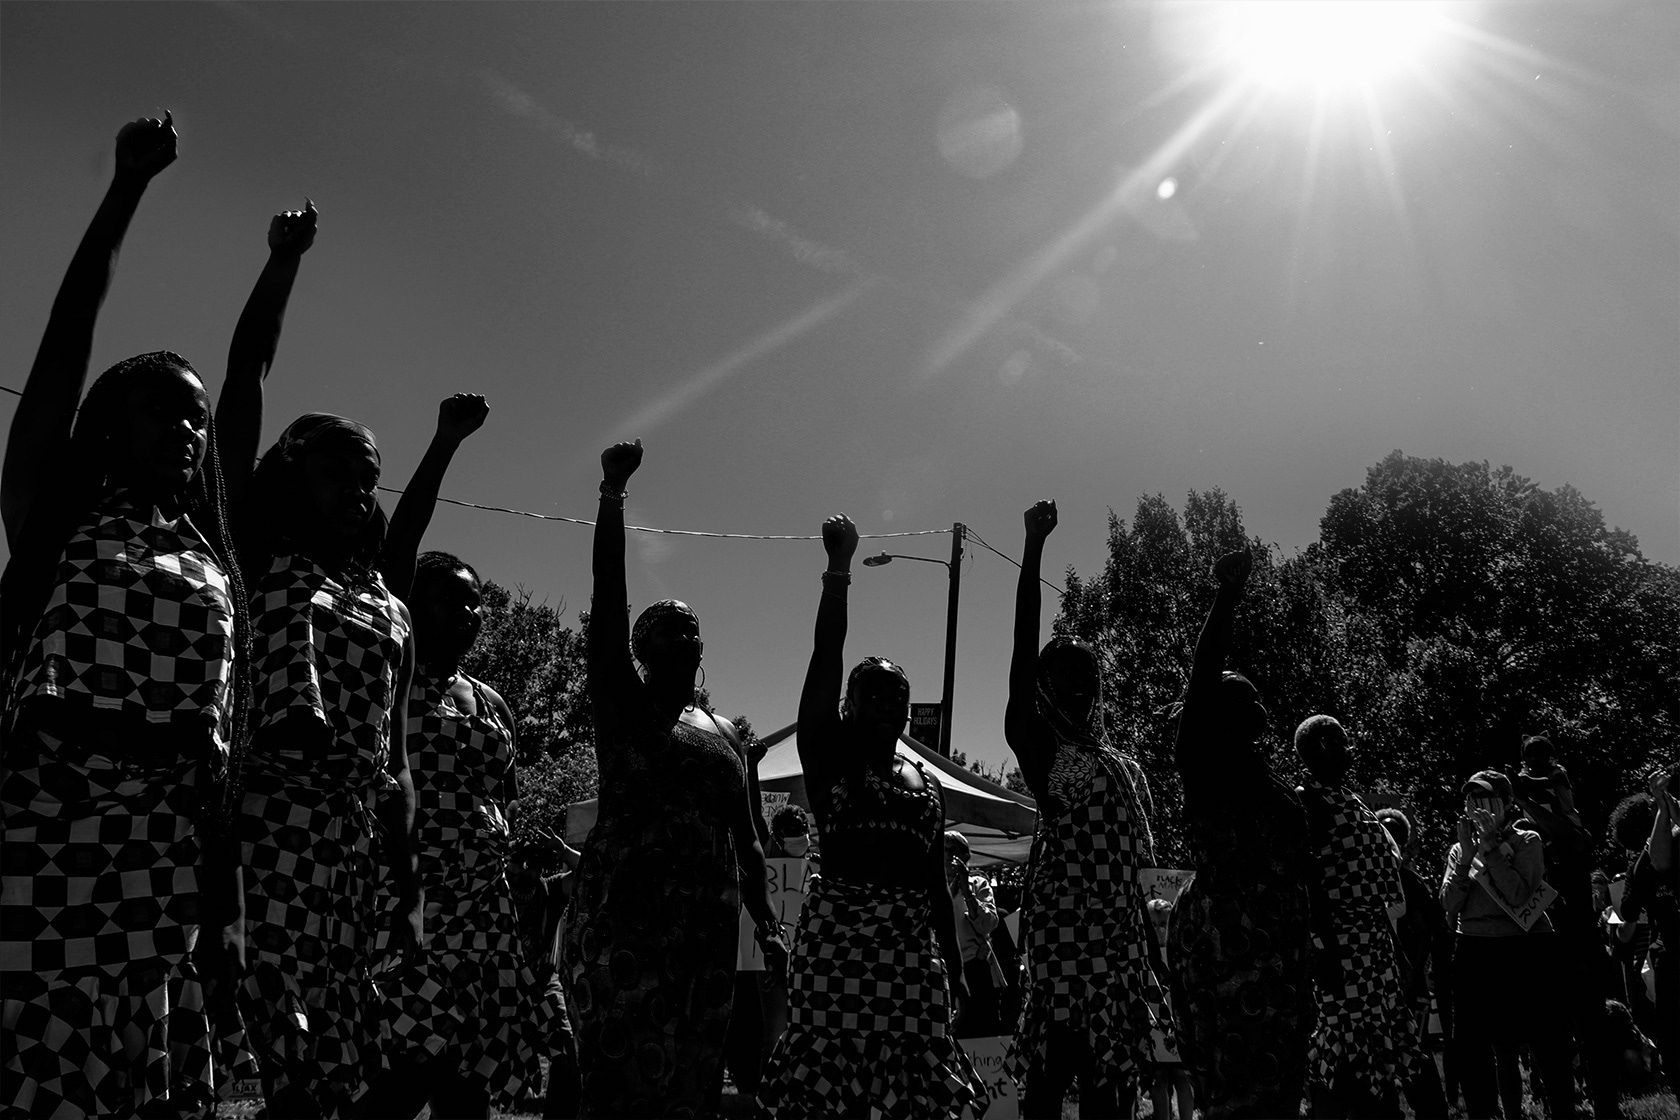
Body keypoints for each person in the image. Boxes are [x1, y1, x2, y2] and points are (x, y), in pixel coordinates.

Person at [0, 113, 248, 1119]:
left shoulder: (214, 562)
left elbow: (223, 756)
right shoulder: (59, 517)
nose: (187, 430)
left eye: (198, 418)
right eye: (165, 409)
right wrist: (125, 190)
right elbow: (64, 345)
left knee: (141, 1094)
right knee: (36, 1086)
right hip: (43, 856)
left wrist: (223, 902)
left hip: (158, 872)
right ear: (110, 423)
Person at [225, 217, 424, 1115]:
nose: (356, 494)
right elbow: (244, 385)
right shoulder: (262, 558)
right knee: (281, 1058)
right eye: (338, 474)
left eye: (367, 481)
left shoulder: (382, 599)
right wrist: (283, 264)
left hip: (352, 853)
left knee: (350, 1067)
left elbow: (398, 758)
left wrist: (404, 861)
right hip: (269, 837)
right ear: (293, 475)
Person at [565, 440, 787, 1118]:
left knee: (694, 1072)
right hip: (628, 913)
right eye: (667, 630)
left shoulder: (727, 736)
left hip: (706, 925)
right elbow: (608, 602)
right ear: (639, 648)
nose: (685, 638)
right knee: (624, 1074)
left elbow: (747, 837)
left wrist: (766, 923)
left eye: (691, 631)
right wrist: (612, 495)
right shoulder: (626, 707)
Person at [759, 513, 984, 1119]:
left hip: (911, 951)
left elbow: (935, 881)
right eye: (872, 692)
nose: (887, 701)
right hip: (836, 944)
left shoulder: (926, 786)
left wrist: (954, 963)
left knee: (912, 1091)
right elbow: (826, 653)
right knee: (834, 1093)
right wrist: (839, 569)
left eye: (897, 696)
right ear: (847, 705)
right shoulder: (829, 758)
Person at [1005, 500, 1175, 1119]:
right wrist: (1032, 550)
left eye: (1090, 677)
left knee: (1115, 1082)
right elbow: (1023, 653)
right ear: (1043, 686)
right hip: (1068, 947)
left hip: (1122, 947)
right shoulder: (1042, 749)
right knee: (1056, 1069)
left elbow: (1145, 868)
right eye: (1065, 675)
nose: (1081, 687)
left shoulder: (1121, 762)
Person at [1167, 548, 1316, 1119]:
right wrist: (1227, 597)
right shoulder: (1204, 767)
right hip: (1230, 942)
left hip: (1280, 949)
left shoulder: (1267, 779)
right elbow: (1203, 673)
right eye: (1242, 694)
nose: (1257, 702)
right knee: (1236, 1091)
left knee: (1278, 1091)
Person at [1438, 769, 1575, 1120]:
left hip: (1525, 948)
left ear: (1507, 803)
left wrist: (1491, 848)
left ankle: (1561, 1110)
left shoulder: (1527, 841)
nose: (1477, 808)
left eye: (1486, 800)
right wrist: (1467, 855)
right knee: (1476, 1045)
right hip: (1475, 948)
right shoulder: (1458, 849)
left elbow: (1517, 894)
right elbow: (1449, 903)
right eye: (1472, 800)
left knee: (1547, 1042)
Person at [1294, 715, 1413, 1118]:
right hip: (1341, 947)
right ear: (1322, 748)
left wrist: (1394, 950)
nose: (1349, 751)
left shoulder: (1350, 798)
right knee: (1343, 1050)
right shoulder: (1309, 801)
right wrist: (1321, 947)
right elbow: (1308, 880)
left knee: (1380, 1050)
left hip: (1373, 945)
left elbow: (1376, 893)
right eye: (1341, 744)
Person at [1372, 808, 1449, 1120]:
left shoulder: (1412, 884)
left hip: (1408, 987)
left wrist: (1412, 973)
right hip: (1377, 985)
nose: (1390, 837)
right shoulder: (1367, 880)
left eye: (1396, 833)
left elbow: (1426, 934)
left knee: (1416, 1054)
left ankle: (1432, 1112)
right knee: (1380, 1056)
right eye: (1384, 830)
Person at [945, 830, 1006, 1039]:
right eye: (942, 850)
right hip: (946, 967)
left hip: (975, 967)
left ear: (964, 856)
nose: (946, 855)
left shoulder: (978, 884)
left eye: (951, 850)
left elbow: (989, 923)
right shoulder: (934, 885)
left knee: (981, 1031)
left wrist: (966, 890)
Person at [1143, 899, 1196, 1120]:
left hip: (1178, 1019)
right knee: (1159, 1078)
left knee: (1182, 1077)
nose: (1158, 929)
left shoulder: (1181, 950)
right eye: (1153, 924)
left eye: (1163, 923)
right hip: (1154, 1020)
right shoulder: (1144, 954)